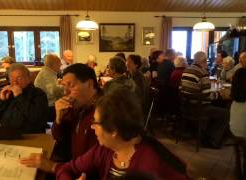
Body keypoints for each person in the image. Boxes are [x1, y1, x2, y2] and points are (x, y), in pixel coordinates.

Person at [56, 89, 188, 179]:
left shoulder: (150, 163)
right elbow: (66, 169)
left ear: (113, 130)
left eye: (95, 122)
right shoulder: (105, 150)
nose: (92, 127)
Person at [21, 64, 101, 173]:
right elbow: (59, 138)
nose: (65, 92)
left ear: (89, 84)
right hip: (70, 165)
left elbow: (95, 163)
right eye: (64, 86)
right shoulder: (77, 105)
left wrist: (54, 167)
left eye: (71, 86)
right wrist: (59, 119)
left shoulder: (103, 113)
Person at [180, 51, 230, 148]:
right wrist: (217, 94)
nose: (207, 63)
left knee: (216, 109)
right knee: (226, 114)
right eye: (206, 61)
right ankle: (212, 139)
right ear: (203, 61)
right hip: (199, 108)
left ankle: (205, 134)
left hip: (186, 107)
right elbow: (207, 95)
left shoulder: (186, 71)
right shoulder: (202, 73)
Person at [0, 64, 48, 133]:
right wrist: (1, 101)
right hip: (4, 136)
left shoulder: (38, 94)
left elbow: (37, 119)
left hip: (29, 137)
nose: (15, 82)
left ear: (29, 78)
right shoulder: (8, 94)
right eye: (12, 78)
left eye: (19, 78)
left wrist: (19, 96)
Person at [34, 54, 63, 122]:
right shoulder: (47, 73)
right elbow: (53, 91)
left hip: (46, 103)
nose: (61, 64)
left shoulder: (47, 71)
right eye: (59, 62)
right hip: (48, 106)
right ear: (54, 64)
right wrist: (65, 87)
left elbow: (51, 87)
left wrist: (59, 84)